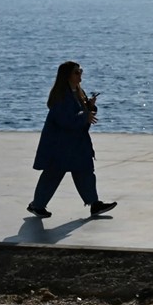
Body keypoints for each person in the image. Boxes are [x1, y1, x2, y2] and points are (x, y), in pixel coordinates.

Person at [27, 61, 118, 218]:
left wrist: (89, 107)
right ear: (67, 75)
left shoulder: (78, 92)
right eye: (77, 72)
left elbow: (78, 115)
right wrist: (85, 115)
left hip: (76, 144)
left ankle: (94, 204)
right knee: (52, 175)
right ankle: (37, 205)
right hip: (60, 145)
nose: (80, 74)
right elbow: (64, 120)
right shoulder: (61, 96)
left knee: (85, 172)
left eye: (80, 71)